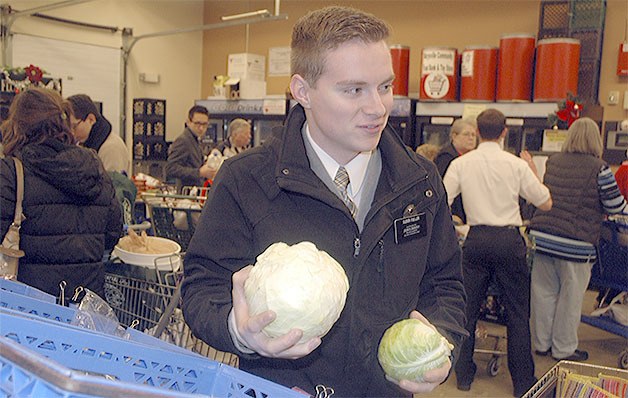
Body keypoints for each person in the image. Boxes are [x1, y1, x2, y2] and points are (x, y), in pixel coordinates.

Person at [181, 6, 467, 397]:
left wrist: (442, 342)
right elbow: (202, 287)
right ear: (303, 91)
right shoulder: (246, 180)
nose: (378, 107)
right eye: (354, 90)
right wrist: (238, 329)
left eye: (385, 86)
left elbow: (445, 283)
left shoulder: (419, 182)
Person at [443, 108, 552, 397]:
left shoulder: (462, 164)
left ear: (477, 132)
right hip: (508, 241)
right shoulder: (514, 164)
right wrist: (531, 171)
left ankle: (463, 375)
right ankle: (522, 382)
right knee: (517, 312)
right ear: (505, 132)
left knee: (467, 310)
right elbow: (545, 202)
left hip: (476, 240)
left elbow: (443, 198)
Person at [0, 88, 122, 299]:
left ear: (18, 125)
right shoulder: (93, 166)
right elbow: (112, 233)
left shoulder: (12, 172)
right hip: (86, 304)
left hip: (28, 304)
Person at [528, 117, 628, 362]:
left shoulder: (553, 161)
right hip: (577, 243)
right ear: (596, 139)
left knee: (543, 293)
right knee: (570, 299)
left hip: (543, 236)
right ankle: (563, 349)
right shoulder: (599, 167)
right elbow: (615, 205)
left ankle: (541, 343)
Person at [67, 94, 130, 174]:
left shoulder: (111, 149)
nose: (71, 133)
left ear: (91, 119)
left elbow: (112, 185)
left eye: (74, 126)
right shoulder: (84, 144)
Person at [434, 118, 477, 224]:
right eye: (466, 134)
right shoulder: (445, 158)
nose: (471, 138)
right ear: (454, 136)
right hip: (453, 217)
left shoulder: (474, 158)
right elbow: (441, 190)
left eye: (473, 135)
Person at [165, 105, 215, 191]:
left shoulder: (196, 140)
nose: (201, 128)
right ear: (188, 122)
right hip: (186, 195)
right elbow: (170, 168)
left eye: (204, 124)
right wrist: (199, 172)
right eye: (197, 123)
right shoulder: (183, 140)